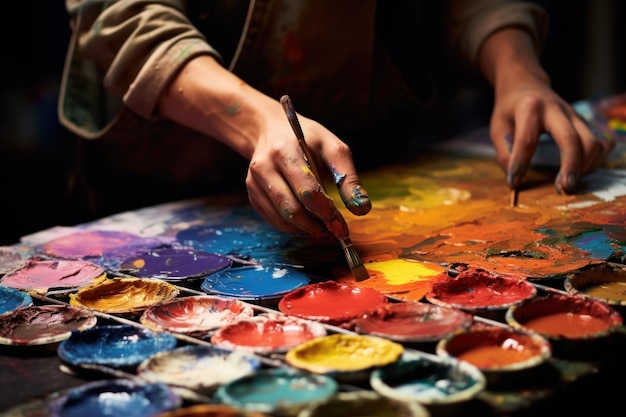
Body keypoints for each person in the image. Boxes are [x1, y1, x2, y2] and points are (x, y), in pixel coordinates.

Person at [58, 0, 614, 239]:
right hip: (169, 187)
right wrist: (255, 123)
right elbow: (121, 16)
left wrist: (517, 68)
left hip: (372, 159)